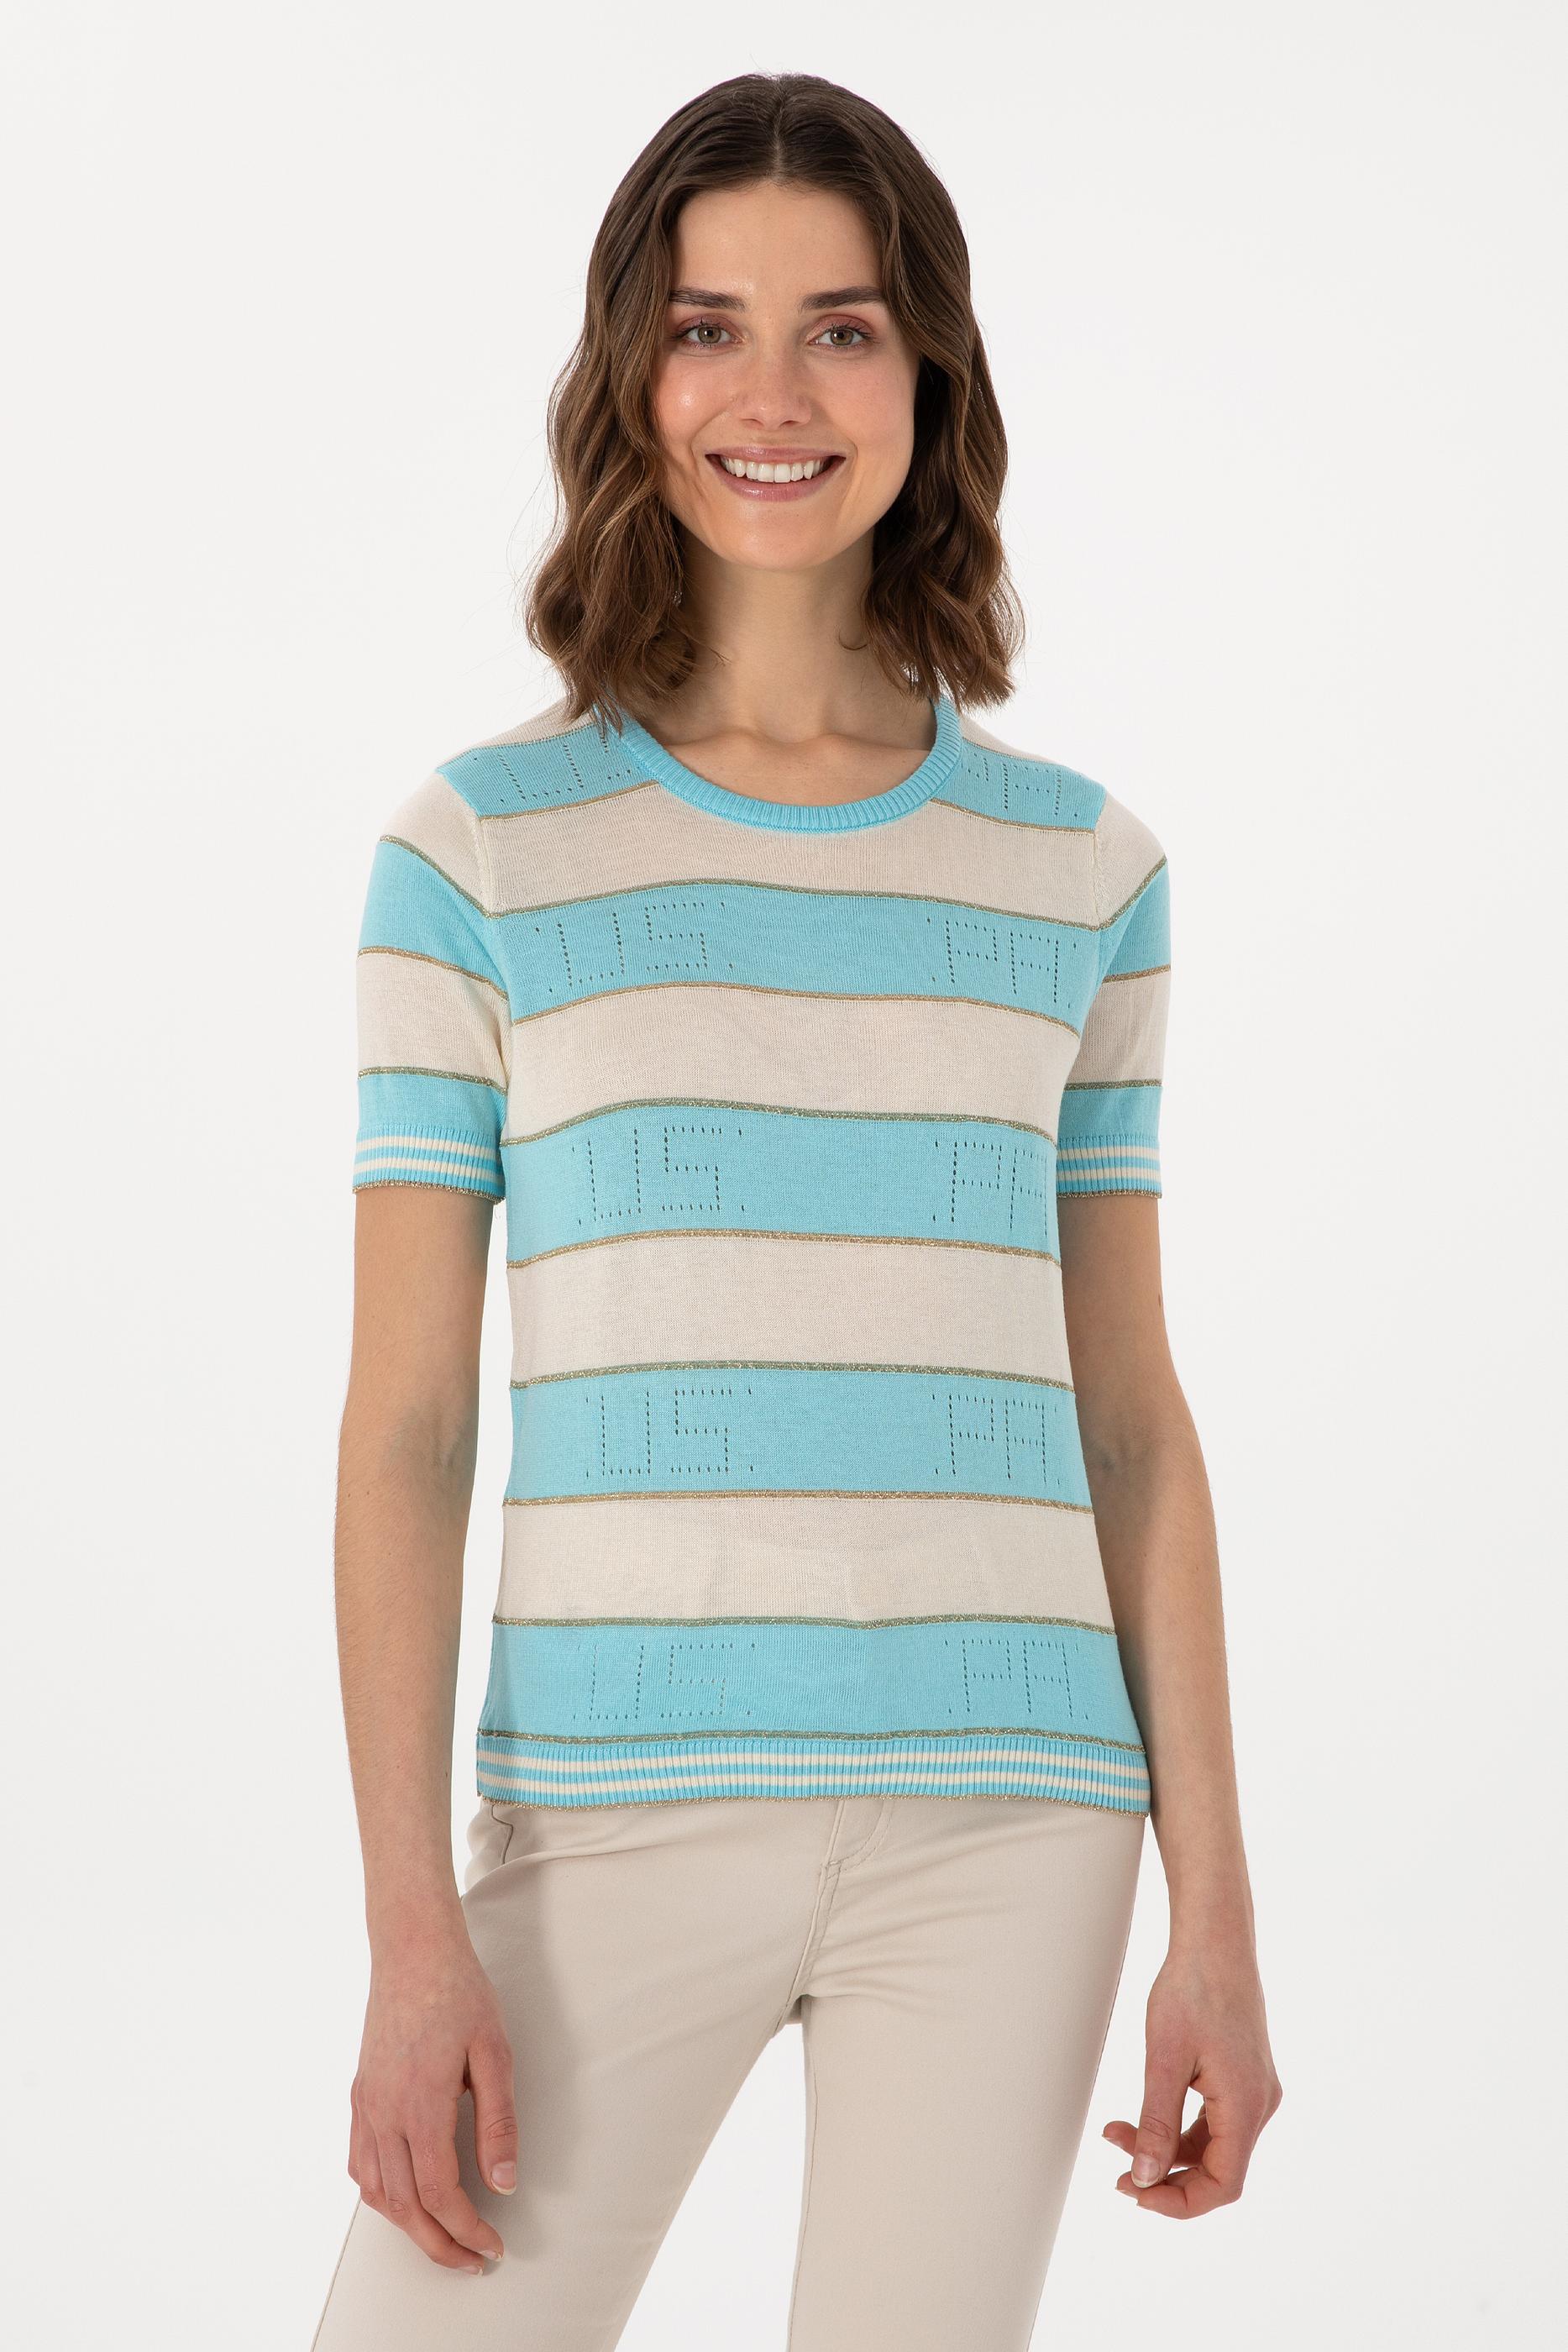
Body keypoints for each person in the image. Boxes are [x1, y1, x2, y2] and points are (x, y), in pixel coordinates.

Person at [310, 71, 1282, 2352]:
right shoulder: (478, 856)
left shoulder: (1083, 873)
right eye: (705, 328)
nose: (772, 395)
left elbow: (1130, 1426)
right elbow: (408, 1434)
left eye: (841, 328)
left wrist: (1216, 1920)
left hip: (1013, 1824)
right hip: (604, 1820)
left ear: (927, 375)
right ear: (626, 375)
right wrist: (408, 1933)